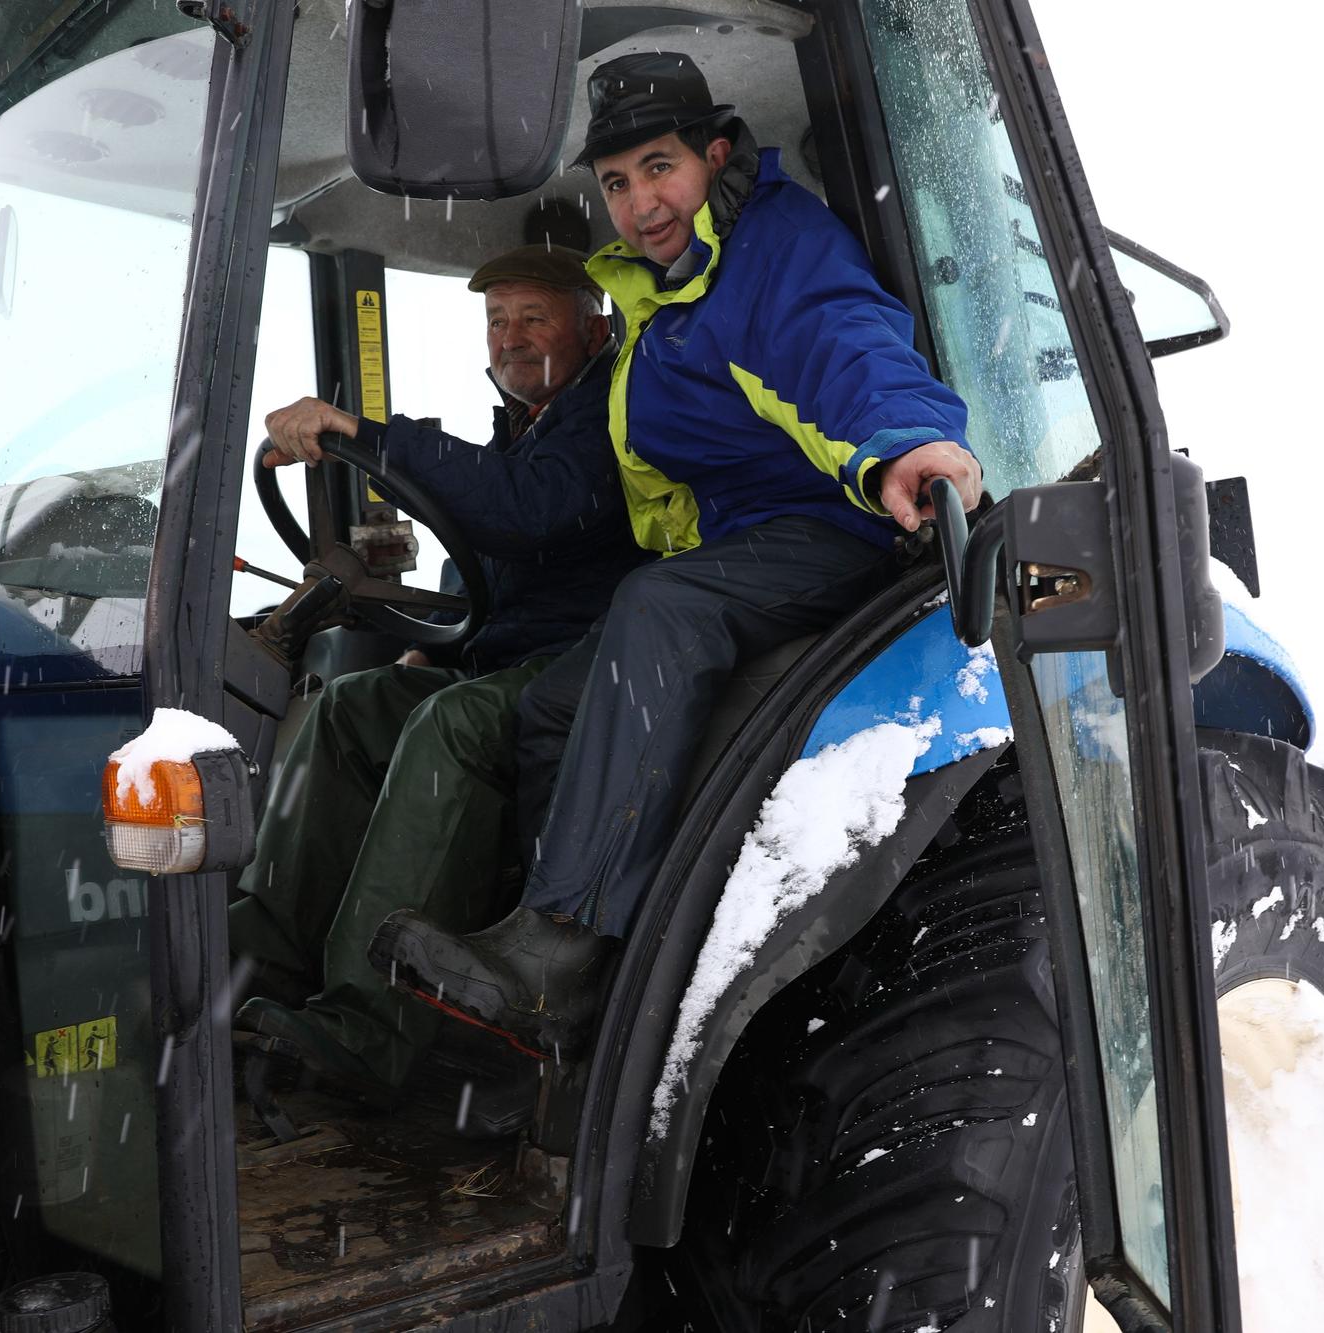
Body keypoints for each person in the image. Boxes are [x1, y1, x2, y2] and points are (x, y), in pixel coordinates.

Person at [371, 52, 984, 1059]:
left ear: (712, 154)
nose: (639, 201)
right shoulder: (660, 294)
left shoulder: (773, 248)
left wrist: (902, 444)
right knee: (551, 705)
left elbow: (845, 344)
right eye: (615, 181)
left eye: (658, 167)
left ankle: (566, 946)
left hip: (836, 529)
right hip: (745, 543)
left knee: (660, 605)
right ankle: (545, 948)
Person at [227, 245, 651, 1099]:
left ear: (593, 326)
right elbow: (501, 554)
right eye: (498, 321)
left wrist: (362, 433)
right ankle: (258, 961)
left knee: (447, 724)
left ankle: (369, 1027)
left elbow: (531, 511)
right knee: (354, 704)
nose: (511, 337)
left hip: (590, 673)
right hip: (510, 655)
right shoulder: (523, 429)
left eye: (534, 317)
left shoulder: (613, 408)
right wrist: (440, 637)